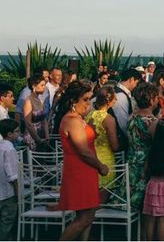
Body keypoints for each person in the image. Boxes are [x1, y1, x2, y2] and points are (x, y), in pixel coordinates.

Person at [53, 80, 108, 241]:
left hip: (85, 171)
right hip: (79, 172)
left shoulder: (77, 118)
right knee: (84, 218)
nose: (88, 103)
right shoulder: (72, 120)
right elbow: (83, 151)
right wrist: (101, 166)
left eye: (90, 99)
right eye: (85, 99)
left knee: (87, 217)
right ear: (73, 100)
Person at [128, 82, 159, 214]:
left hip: (131, 162)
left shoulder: (131, 117)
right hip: (146, 165)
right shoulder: (152, 122)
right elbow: (157, 146)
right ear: (151, 100)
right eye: (156, 97)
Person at [85, 86, 119, 194]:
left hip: (90, 160)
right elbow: (114, 146)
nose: (116, 100)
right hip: (105, 162)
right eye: (114, 98)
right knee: (102, 199)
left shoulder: (88, 115)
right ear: (108, 101)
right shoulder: (109, 119)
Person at [0, 119, 20, 240]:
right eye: (16, 131)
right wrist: (18, 194)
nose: (18, 134)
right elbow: (12, 175)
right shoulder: (9, 149)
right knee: (6, 224)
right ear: (9, 134)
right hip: (7, 193)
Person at [22, 74, 49, 151]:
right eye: (42, 85)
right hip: (32, 137)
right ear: (34, 86)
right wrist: (38, 140)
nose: (44, 87)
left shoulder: (39, 100)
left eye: (45, 85)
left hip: (41, 136)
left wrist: (47, 136)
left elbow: (44, 120)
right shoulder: (28, 101)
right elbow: (28, 123)